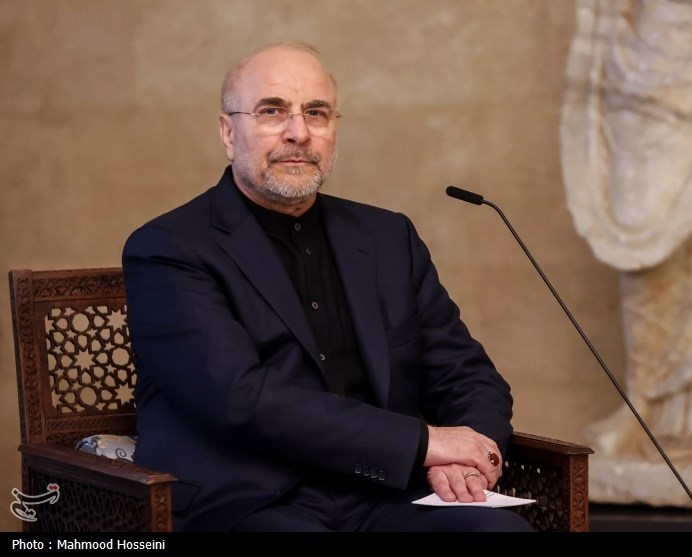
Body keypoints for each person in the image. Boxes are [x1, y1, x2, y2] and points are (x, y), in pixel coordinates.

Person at [122, 42, 532, 532]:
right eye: (272, 111)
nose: (298, 133)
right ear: (229, 132)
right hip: (251, 499)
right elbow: (240, 400)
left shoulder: (387, 237)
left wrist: (469, 458)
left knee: (498, 531)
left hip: (386, 491)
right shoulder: (169, 247)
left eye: (316, 113)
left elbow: (466, 374)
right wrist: (425, 443)